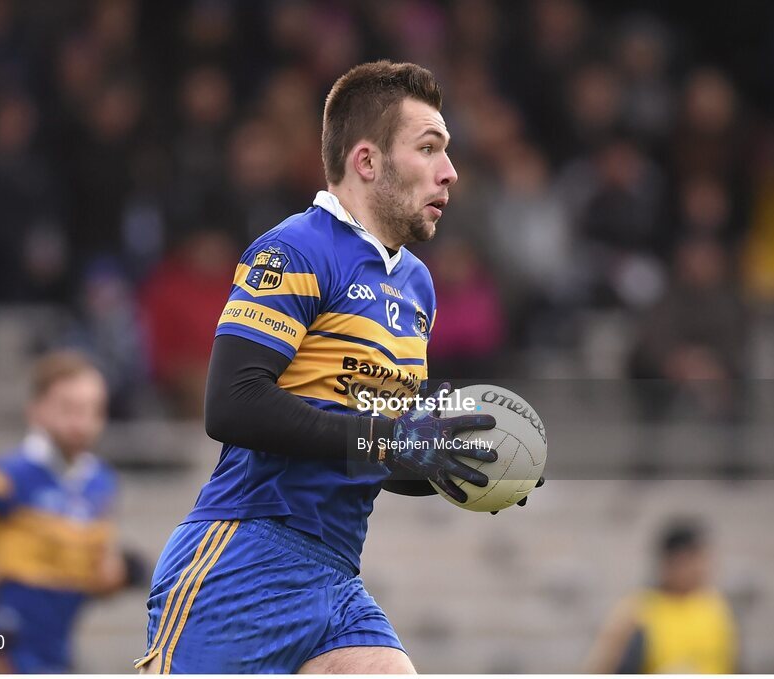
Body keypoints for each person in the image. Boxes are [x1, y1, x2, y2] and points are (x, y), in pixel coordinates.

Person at [136, 60, 534, 674]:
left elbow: (373, 451)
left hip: (336, 573)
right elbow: (233, 404)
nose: (450, 171)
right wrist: (392, 439)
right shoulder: (294, 248)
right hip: (245, 557)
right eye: (429, 148)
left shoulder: (418, 286)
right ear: (367, 161)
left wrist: (455, 464)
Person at [0, 350, 145, 673]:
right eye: (69, 408)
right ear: (36, 409)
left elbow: (94, 579)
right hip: (3, 656)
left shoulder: (102, 482)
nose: (82, 422)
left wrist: (127, 574)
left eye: (94, 410)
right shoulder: (9, 475)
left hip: (58, 654)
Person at [584, 520, 738, 673]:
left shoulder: (716, 606)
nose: (699, 569)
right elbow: (600, 668)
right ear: (669, 562)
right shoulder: (638, 610)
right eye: (691, 561)